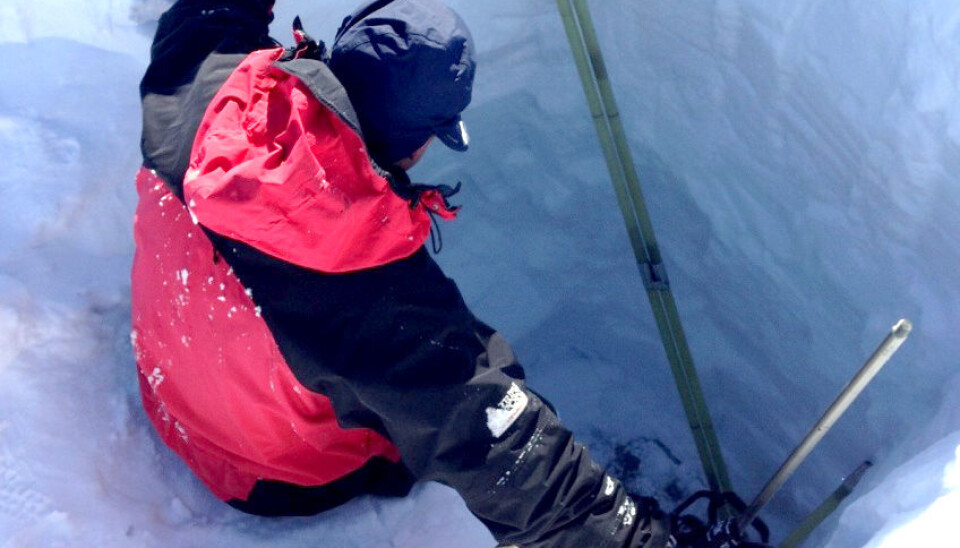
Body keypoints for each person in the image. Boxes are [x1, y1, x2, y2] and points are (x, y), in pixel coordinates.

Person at [133, 1, 769, 546]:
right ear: (420, 144)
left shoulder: (206, 78)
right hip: (272, 480)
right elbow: (518, 462)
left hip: (166, 394)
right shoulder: (375, 301)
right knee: (438, 404)